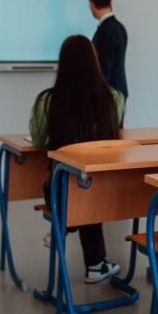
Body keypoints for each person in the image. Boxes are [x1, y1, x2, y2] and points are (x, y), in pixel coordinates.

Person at [29, 35, 125, 283]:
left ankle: (64, 225)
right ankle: (95, 264)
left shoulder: (48, 100)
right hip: (104, 189)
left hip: (61, 191)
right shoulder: (114, 97)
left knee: (76, 187)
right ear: (94, 61)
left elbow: (38, 141)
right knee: (86, 187)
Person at [89, 0, 128, 99]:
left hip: (108, 93)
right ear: (110, 3)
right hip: (119, 90)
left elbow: (105, 65)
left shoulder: (105, 30)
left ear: (92, 4)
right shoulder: (120, 27)